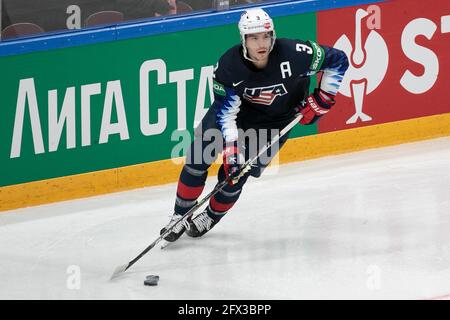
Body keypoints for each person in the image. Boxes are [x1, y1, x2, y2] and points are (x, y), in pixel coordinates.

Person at [160, 7, 349, 241]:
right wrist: (231, 149)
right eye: (254, 38)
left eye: (266, 36)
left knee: (235, 176)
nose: (261, 43)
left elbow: (339, 60)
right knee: (198, 157)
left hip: (275, 123)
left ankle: (210, 215)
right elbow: (226, 114)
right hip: (237, 115)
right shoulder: (228, 66)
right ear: (244, 40)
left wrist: (323, 98)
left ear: (273, 35)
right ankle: (178, 216)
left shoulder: (296, 54)